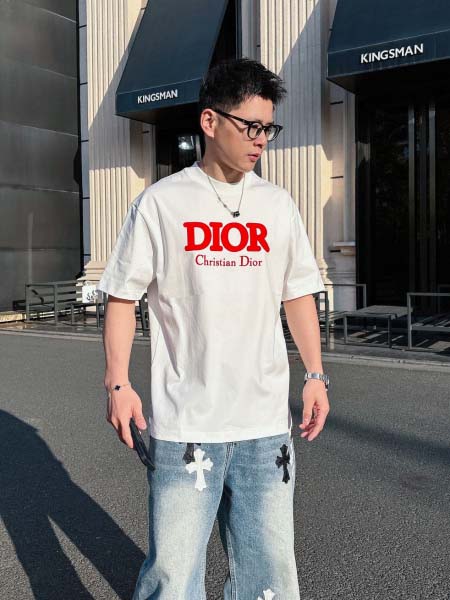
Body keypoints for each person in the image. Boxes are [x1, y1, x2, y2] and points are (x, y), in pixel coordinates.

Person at [97, 57, 330, 600]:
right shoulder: (161, 203)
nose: (261, 140)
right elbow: (122, 296)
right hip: (187, 424)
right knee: (173, 577)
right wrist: (117, 382)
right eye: (250, 126)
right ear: (209, 121)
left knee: (271, 579)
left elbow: (297, 292)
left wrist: (316, 375)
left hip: (264, 425)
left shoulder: (277, 205)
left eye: (268, 128)